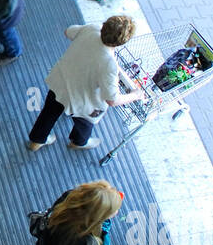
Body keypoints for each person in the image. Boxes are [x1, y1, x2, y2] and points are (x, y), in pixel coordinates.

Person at [27, 14, 145, 151]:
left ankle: (37, 141)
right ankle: (78, 142)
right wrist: (136, 94)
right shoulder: (109, 64)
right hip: (81, 100)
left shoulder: (92, 29)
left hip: (60, 83)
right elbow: (112, 100)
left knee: (49, 112)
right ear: (121, 42)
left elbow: (68, 31)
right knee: (85, 123)